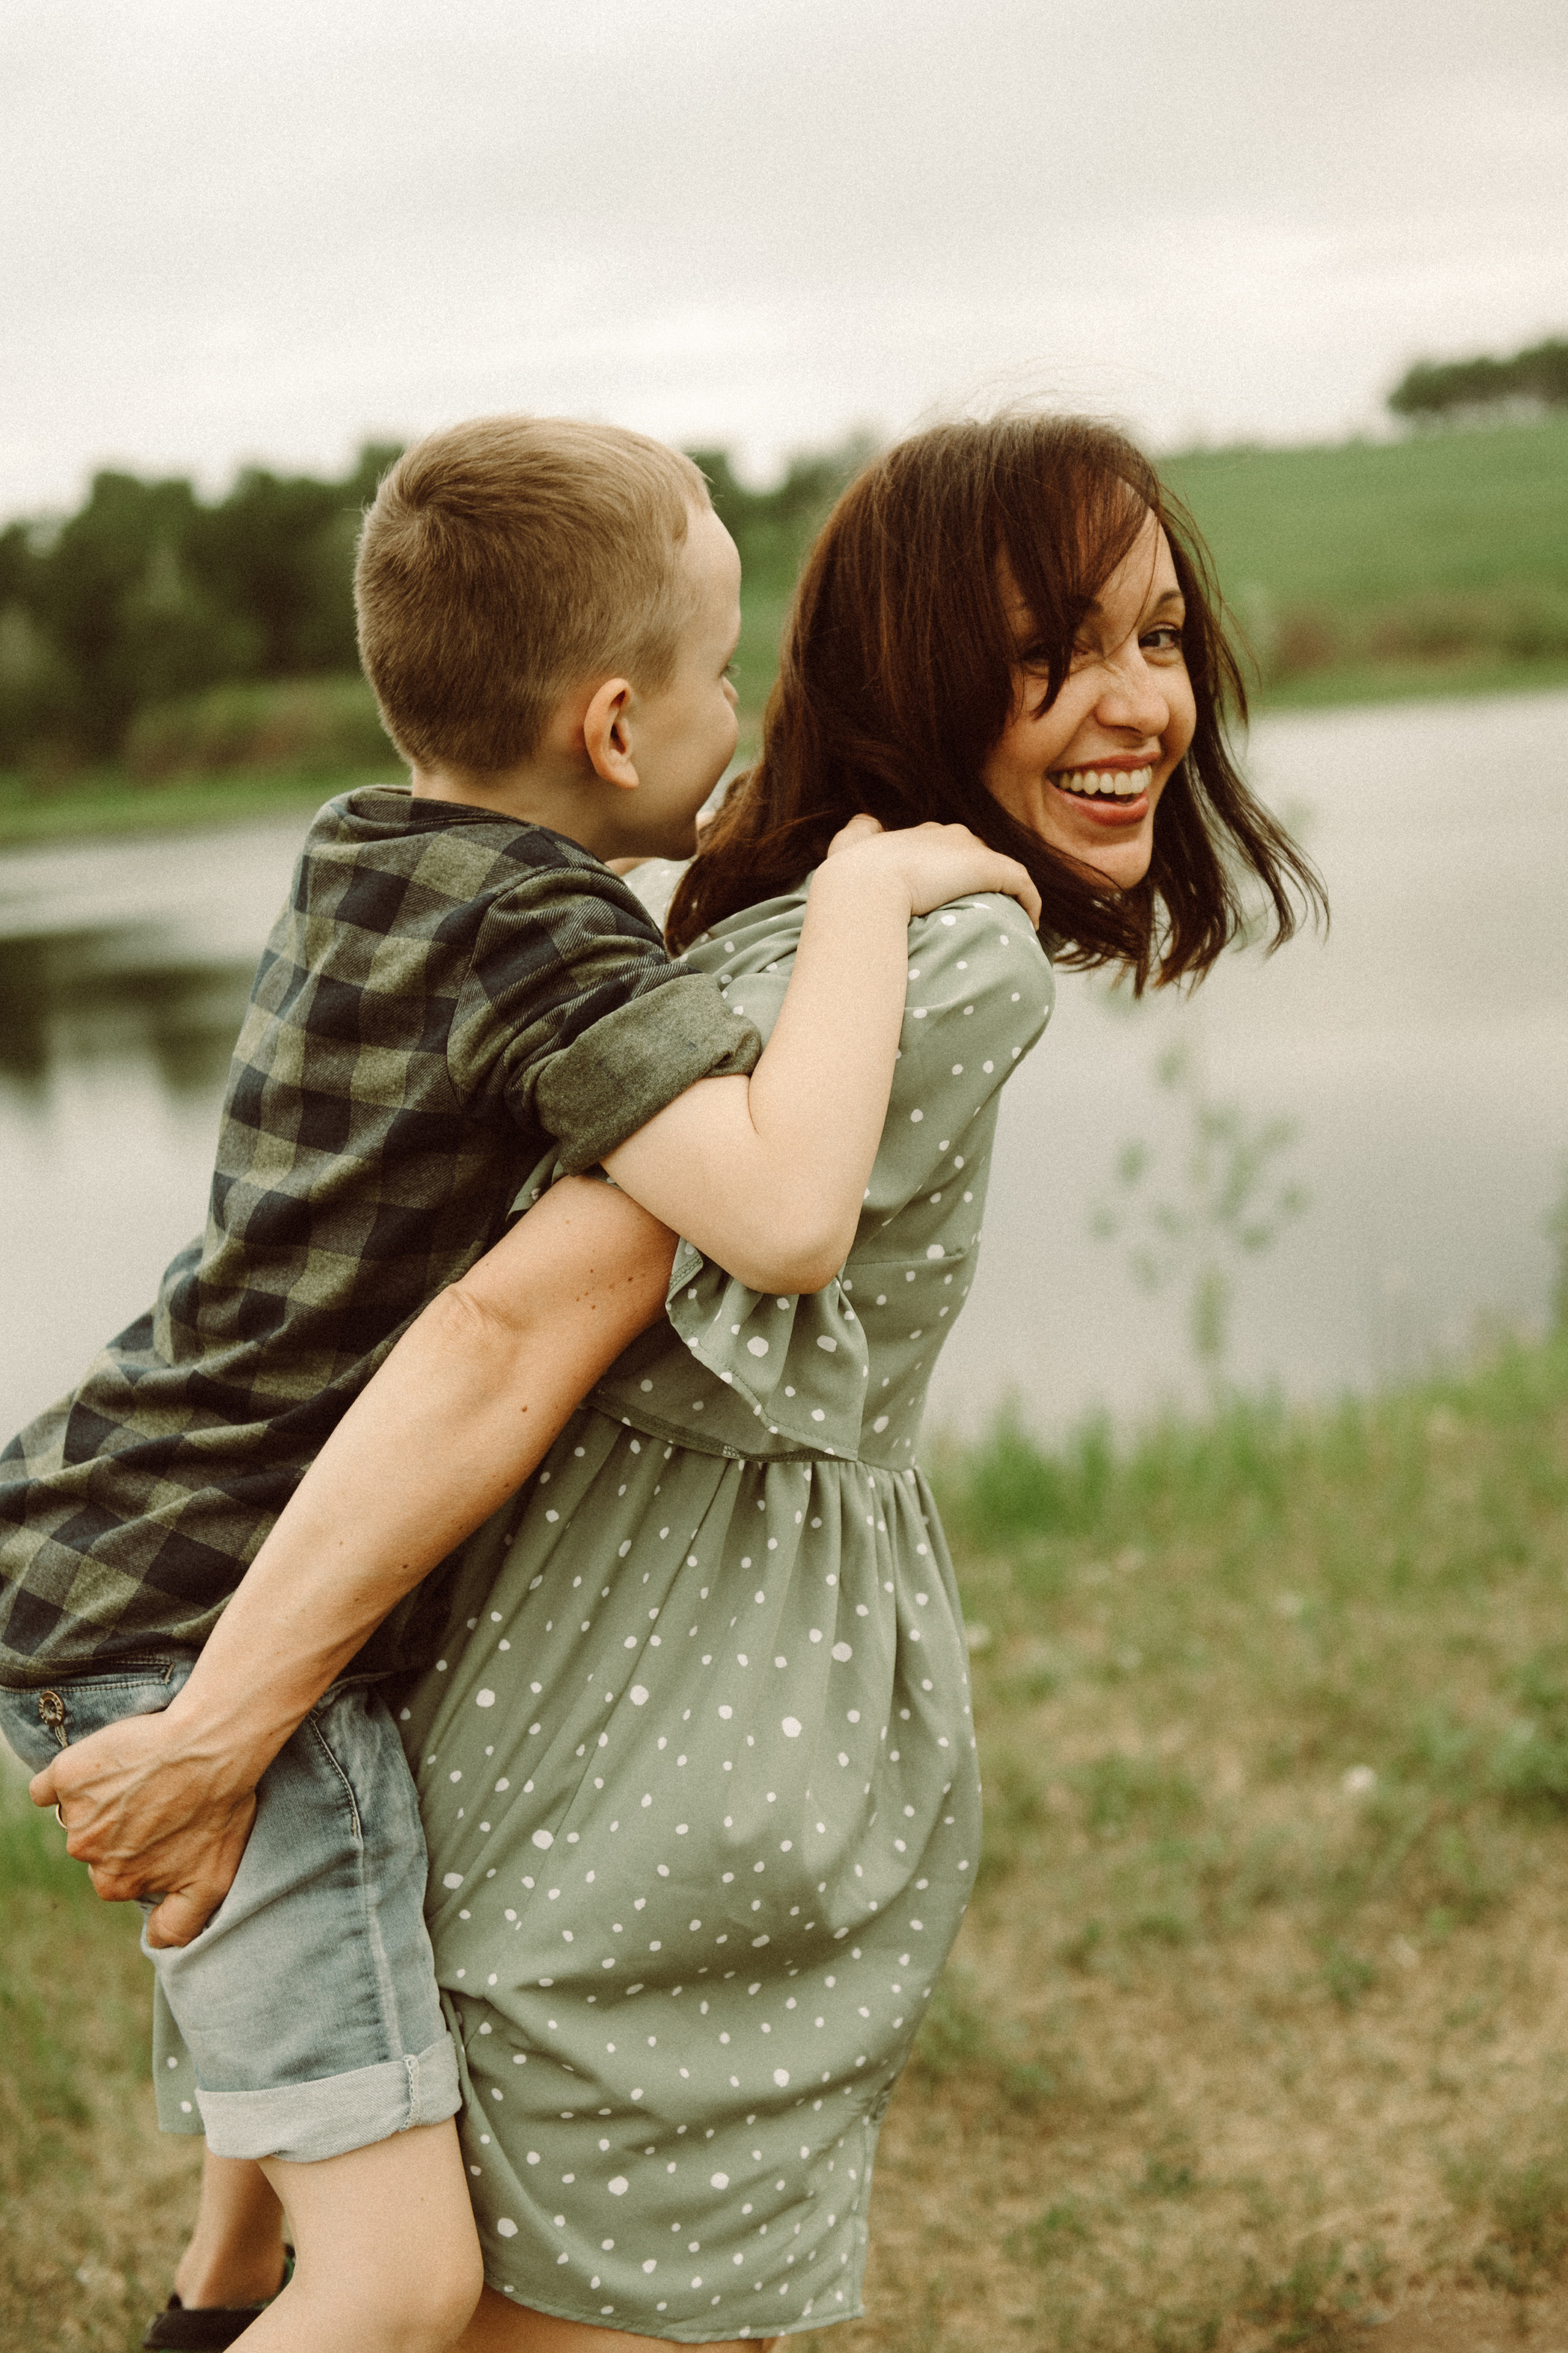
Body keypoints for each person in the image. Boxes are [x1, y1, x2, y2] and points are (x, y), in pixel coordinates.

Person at [43, 410, 1321, 2351]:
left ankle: (219, 2273)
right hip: (456, 1678)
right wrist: (222, 1730)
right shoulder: (886, 945)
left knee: (338, 2242)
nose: (1137, 698)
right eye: (1057, 650)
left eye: (1158, 635)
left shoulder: (454, 877)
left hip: (281, 1584)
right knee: (407, 2287)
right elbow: (575, 1297)